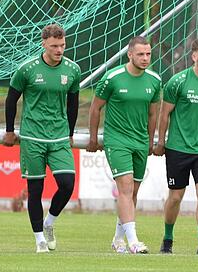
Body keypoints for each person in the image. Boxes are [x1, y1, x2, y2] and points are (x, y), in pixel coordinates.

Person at [3, 24, 80, 253]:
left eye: (63, 45)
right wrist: (9, 130)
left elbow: (73, 103)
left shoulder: (72, 69)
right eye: (55, 46)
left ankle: (49, 223)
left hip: (58, 137)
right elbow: (11, 99)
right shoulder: (27, 69)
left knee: (67, 184)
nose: (59, 50)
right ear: (43, 44)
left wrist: (70, 133)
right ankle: (39, 240)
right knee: (35, 190)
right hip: (32, 137)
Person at [87, 36, 161, 254]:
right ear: (130, 54)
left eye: (148, 53)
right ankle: (134, 241)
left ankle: (118, 238)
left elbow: (153, 113)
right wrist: (93, 137)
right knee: (126, 188)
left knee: (133, 193)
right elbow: (95, 108)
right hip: (117, 139)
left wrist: (149, 139)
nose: (145, 58)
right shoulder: (113, 78)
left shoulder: (155, 80)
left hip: (140, 141)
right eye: (141, 54)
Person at [154, 37, 198, 255]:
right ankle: (167, 238)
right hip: (178, 148)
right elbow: (164, 114)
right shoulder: (178, 82)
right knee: (176, 196)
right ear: (194, 56)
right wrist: (161, 141)